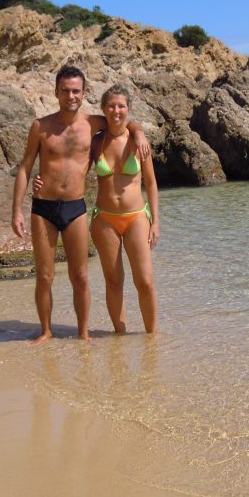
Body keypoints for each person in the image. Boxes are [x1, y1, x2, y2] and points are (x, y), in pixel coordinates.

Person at [11, 66, 149, 344]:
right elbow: (26, 166)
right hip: (43, 207)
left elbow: (121, 120)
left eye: (76, 91)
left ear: (84, 93)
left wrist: (139, 131)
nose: (70, 96)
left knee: (81, 277)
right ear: (56, 92)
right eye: (65, 90)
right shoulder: (41, 126)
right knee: (45, 276)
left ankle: (84, 333)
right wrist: (17, 209)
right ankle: (46, 331)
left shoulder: (92, 124)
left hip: (75, 207)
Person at [89, 84, 160, 334]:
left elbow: (151, 183)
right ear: (103, 109)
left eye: (121, 106)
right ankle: (119, 336)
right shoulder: (96, 143)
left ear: (128, 108)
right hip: (104, 219)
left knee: (146, 282)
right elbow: (71, 169)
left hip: (137, 218)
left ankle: (152, 338)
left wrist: (156, 222)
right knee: (113, 281)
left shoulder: (139, 142)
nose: (116, 110)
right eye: (111, 105)